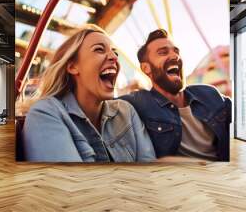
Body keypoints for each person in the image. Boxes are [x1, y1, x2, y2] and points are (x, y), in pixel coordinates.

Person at [22, 25, 156, 162]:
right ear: (73, 66)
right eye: (99, 49)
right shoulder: (45, 113)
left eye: (115, 52)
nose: (114, 57)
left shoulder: (126, 111)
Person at [121, 29, 231, 161]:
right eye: (163, 52)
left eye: (176, 51)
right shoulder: (139, 102)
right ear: (146, 68)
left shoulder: (209, 93)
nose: (175, 56)